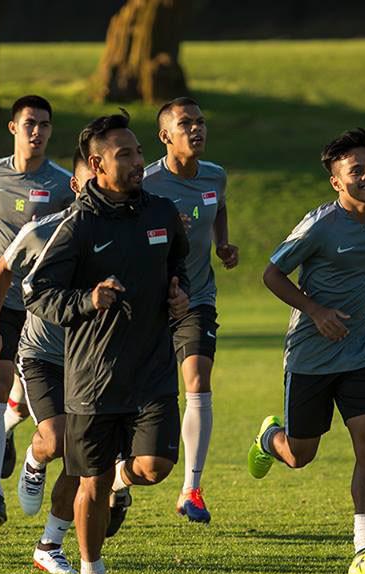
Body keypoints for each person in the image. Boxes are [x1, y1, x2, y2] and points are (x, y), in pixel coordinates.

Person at [246, 128, 365, 574]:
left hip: (360, 356)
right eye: (357, 170)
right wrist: (315, 310)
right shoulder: (320, 225)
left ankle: (364, 551)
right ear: (336, 181)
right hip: (310, 356)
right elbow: (272, 273)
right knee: (300, 454)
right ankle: (270, 437)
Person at [24, 112, 190, 574]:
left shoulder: (161, 212)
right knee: (89, 485)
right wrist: (86, 301)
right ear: (96, 164)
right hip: (93, 378)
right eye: (125, 155)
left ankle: (124, 476)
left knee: (156, 466)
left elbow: (177, 260)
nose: (139, 162)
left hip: (153, 369)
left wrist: (178, 290)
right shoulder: (77, 225)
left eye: (139, 152)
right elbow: (37, 291)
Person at [0, 147, 93, 574]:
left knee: (84, 457)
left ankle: (50, 546)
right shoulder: (46, 230)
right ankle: (35, 459)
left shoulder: (125, 230)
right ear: (75, 187)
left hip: (92, 358)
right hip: (41, 352)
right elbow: (2, 271)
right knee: (58, 441)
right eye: (92, 180)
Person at [0, 95, 75, 525]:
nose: (37, 132)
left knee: (25, 402)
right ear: (13, 128)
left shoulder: (64, 184)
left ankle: (9, 426)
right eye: (30, 123)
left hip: (39, 304)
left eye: (45, 125)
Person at [143, 96, 238, 523]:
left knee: (198, 380)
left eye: (200, 122)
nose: (196, 130)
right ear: (165, 136)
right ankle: (118, 478)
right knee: (141, 395)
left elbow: (218, 208)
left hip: (198, 297)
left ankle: (191, 489)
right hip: (149, 304)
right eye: (186, 124)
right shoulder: (146, 185)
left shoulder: (215, 175)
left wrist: (222, 243)